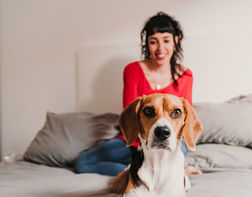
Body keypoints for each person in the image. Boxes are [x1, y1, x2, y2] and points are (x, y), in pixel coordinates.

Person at [74, 11, 201, 176]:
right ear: (147, 44)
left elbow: (184, 117)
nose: (160, 48)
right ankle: (135, 172)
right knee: (82, 163)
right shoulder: (133, 70)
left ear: (176, 41)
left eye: (166, 40)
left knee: (169, 161)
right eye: (153, 42)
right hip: (135, 141)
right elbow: (131, 113)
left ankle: (173, 172)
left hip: (171, 140)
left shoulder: (186, 76)